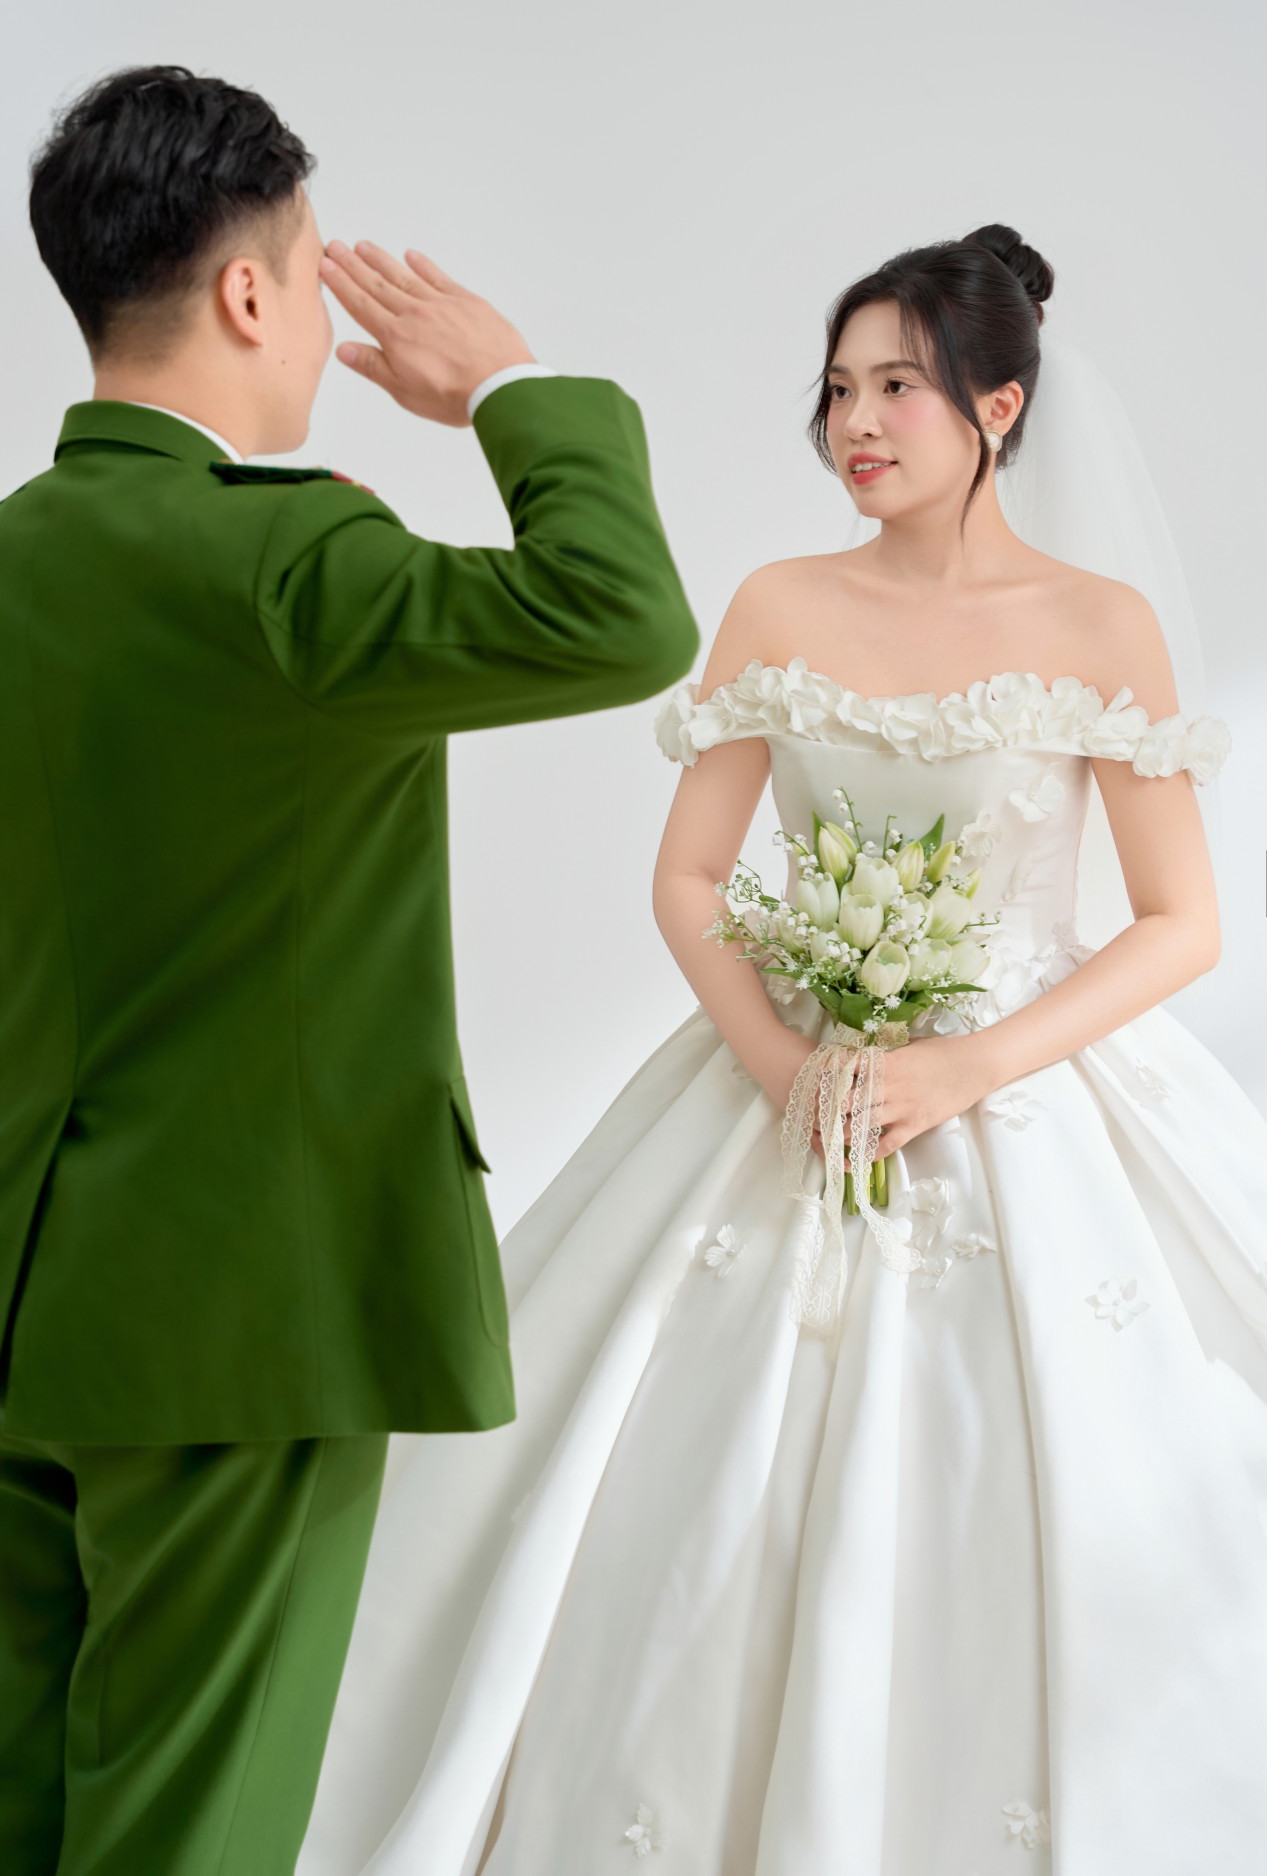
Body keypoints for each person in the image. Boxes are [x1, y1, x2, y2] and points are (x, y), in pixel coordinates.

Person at [296, 224, 1267, 1874]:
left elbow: (1183, 924)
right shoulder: (778, 603)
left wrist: (966, 1067)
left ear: (1001, 405)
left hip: (1023, 1090)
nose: (855, 422)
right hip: (788, 1081)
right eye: (837, 388)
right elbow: (689, 877)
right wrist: (780, 1064)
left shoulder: (1097, 623)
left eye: (898, 386)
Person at [0, 63, 697, 1875]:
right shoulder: (289, 562)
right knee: (191, 1830)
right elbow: (622, 615)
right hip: (240, 1319)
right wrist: (512, 391)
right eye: (312, 277)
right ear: (248, 292)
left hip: (24, 1293)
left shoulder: (19, 557)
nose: (320, 318)